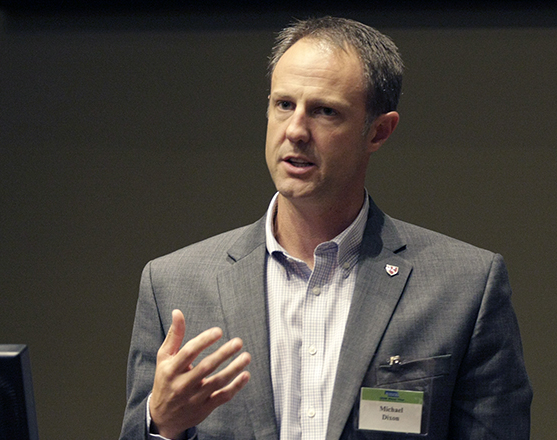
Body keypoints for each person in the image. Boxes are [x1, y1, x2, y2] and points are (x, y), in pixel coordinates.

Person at [119, 16, 532, 440]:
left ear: (379, 131)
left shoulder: (464, 287)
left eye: (324, 111)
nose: (295, 130)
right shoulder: (173, 284)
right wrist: (162, 425)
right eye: (284, 105)